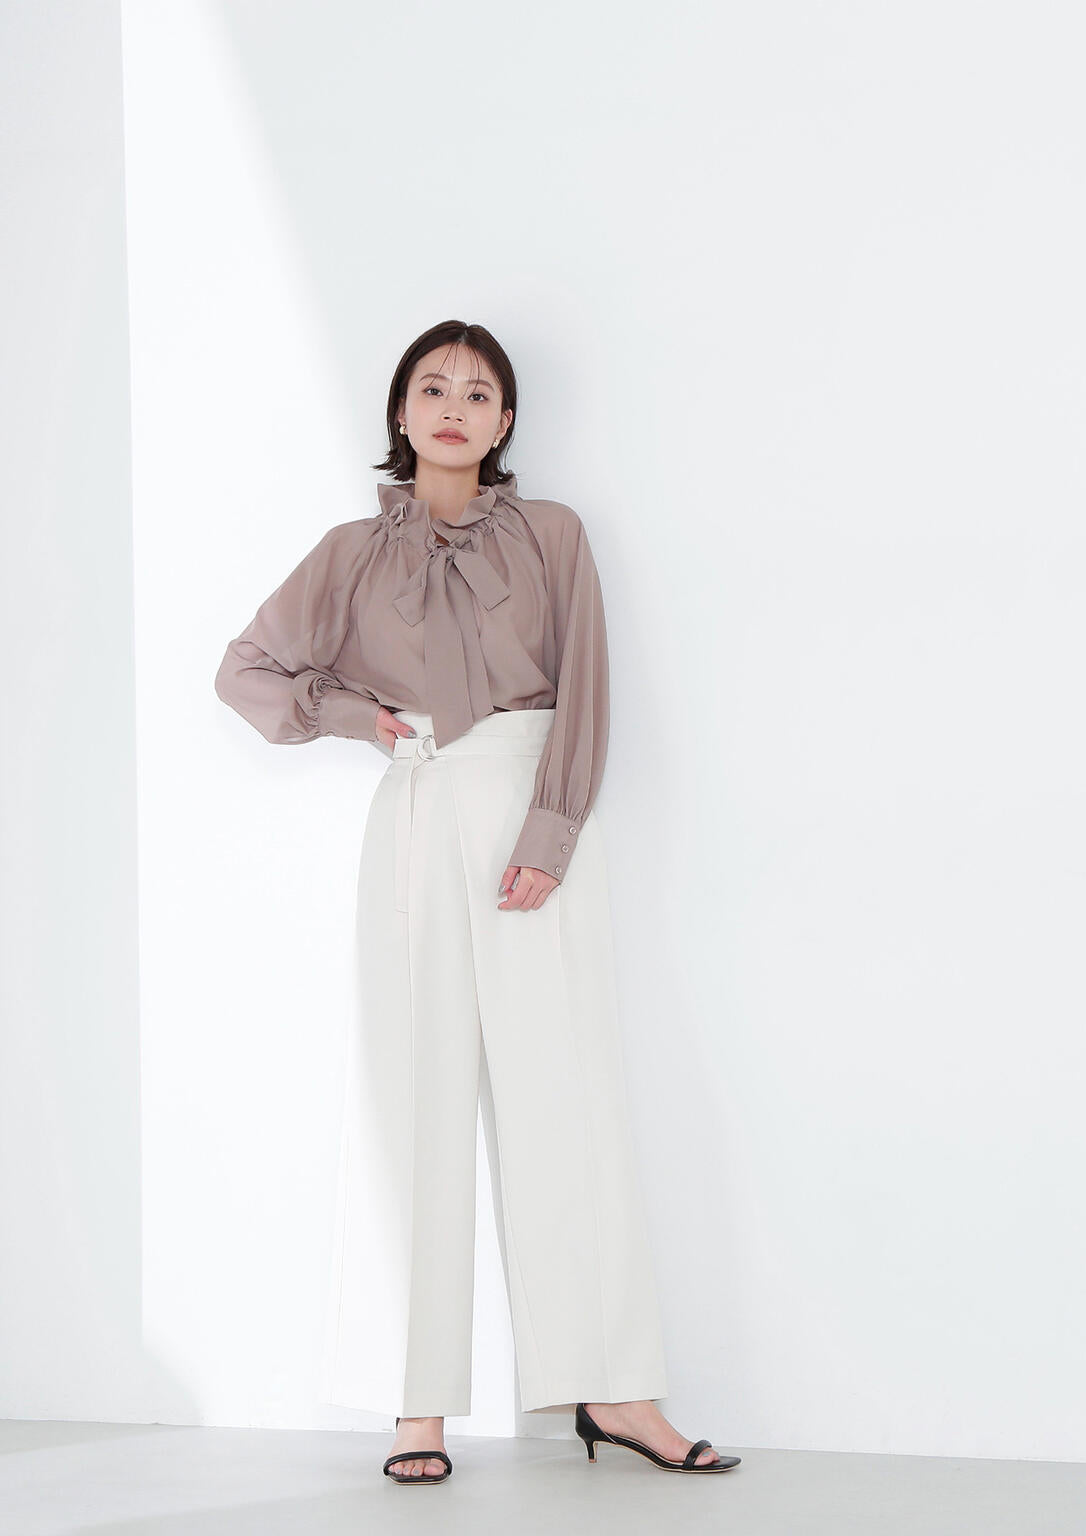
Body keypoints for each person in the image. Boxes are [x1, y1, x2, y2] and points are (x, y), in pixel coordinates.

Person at [214, 321, 741, 1482]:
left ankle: (615, 1390)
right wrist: (354, 716)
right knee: (410, 1102)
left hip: (526, 807)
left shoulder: (552, 535)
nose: (453, 405)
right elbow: (242, 670)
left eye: (478, 391)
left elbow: (586, 685)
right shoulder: (349, 554)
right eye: (431, 386)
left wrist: (551, 829)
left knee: (570, 1103)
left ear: (505, 422)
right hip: (415, 810)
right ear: (400, 413)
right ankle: (415, 1408)